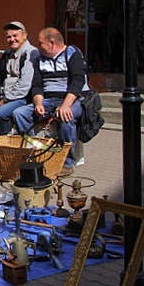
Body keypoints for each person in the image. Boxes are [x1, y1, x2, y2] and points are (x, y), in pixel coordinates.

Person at [13, 27, 89, 176]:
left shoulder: (72, 54)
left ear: (52, 43)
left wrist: (66, 105)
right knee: (19, 114)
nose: (38, 46)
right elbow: (37, 85)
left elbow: (78, 81)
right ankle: (33, 152)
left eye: (41, 43)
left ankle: (67, 162)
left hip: (71, 98)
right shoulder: (39, 60)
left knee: (67, 117)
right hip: (48, 100)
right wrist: (38, 103)